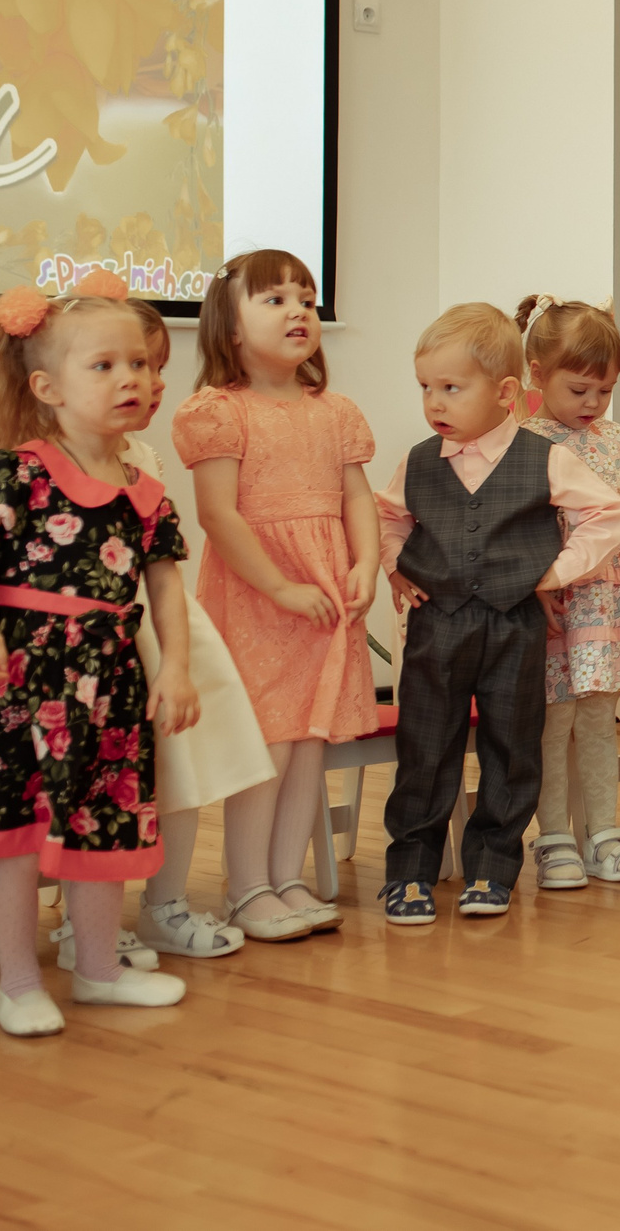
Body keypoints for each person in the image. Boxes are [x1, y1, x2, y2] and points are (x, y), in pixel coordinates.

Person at [0, 277, 200, 1037]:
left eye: (138, 363)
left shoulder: (147, 493)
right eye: (104, 366)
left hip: (111, 681)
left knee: (104, 825)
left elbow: (165, 587)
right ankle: (18, 983)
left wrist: (176, 668)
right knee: (16, 835)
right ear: (47, 387)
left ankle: (99, 970)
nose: (130, 378)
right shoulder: (18, 470)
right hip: (22, 675)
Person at [374, 305, 620, 924]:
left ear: (505, 391)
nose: (434, 402)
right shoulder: (418, 461)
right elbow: (385, 517)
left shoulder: (544, 456)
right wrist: (394, 566)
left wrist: (555, 572)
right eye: (426, 387)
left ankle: (493, 867)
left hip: (515, 628)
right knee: (425, 747)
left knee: (512, 748)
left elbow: (610, 513)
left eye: (451, 388)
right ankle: (410, 872)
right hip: (437, 628)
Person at [175, 251, 380, 941]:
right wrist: (280, 586)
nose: (298, 311)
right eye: (274, 299)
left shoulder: (335, 412)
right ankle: (247, 887)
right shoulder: (219, 411)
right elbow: (218, 514)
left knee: (308, 741)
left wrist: (366, 563)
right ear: (230, 328)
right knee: (266, 743)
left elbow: (356, 499)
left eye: (307, 300)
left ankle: (286, 877)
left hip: (323, 597)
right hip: (259, 596)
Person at [108, 301, 269, 961]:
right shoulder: (38, 460)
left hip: (159, 625)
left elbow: (159, 559)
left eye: (154, 366)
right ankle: (88, 922)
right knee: (100, 779)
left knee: (183, 764)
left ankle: (165, 904)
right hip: (96, 637)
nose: (151, 383)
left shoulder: (142, 454)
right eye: (126, 366)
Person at [515, 295, 620, 889]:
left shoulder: (619, 440)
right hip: (560, 600)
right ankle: (553, 836)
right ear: (538, 374)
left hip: (610, 601)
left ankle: (603, 831)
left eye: (604, 391)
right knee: (552, 720)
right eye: (579, 389)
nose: (593, 403)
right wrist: (536, 584)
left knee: (598, 716)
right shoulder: (521, 441)